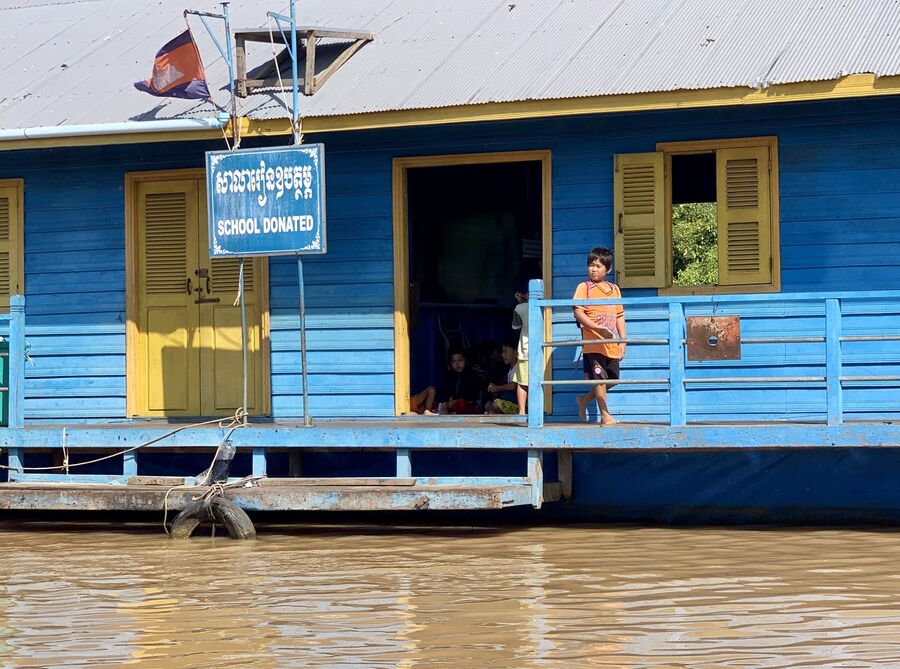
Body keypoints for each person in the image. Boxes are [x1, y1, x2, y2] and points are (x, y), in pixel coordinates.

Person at [572, 247, 626, 425]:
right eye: (590, 265)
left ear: (608, 269)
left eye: (598, 266)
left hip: (610, 343)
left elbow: (619, 316)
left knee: (613, 379)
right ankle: (605, 415)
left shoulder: (614, 289)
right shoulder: (584, 287)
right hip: (594, 343)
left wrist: (623, 340)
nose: (593, 269)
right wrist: (598, 329)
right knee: (600, 380)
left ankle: (585, 400)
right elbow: (579, 313)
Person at [439, 349, 482, 414]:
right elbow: (445, 393)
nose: (457, 364)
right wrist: (446, 402)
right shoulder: (450, 375)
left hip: (469, 404)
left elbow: (472, 395)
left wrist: (456, 400)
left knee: (461, 403)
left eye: (460, 360)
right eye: (454, 361)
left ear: (465, 360)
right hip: (452, 404)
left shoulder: (472, 374)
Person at [511, 282, 531, 415]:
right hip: (543, 351)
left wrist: (520, 302)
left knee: (523, 382)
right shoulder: (543, 306)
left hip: (526, 349)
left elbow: (515, 326)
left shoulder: (520, 308)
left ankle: (522, 411)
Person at [486, 339, 519, 414]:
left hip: (519, 405)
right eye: (502, 352)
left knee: (495, 404)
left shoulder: (519, 368)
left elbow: (514, 385)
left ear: (516, 352)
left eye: (506, 352)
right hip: (511, 402)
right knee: (488, 405)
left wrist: (498, 388)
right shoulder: (510, 370)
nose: (502, 355)